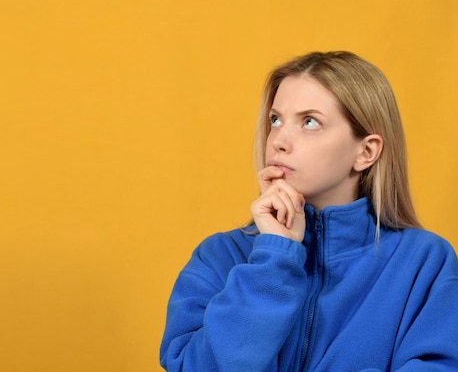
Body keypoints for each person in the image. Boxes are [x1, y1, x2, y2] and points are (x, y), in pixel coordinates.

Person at [159, 51, 458, 371]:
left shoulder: (425, 263)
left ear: (366, 151)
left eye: (310, 122)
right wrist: (274, 258)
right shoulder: (219, 257)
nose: (279, 141)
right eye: (275, 120)